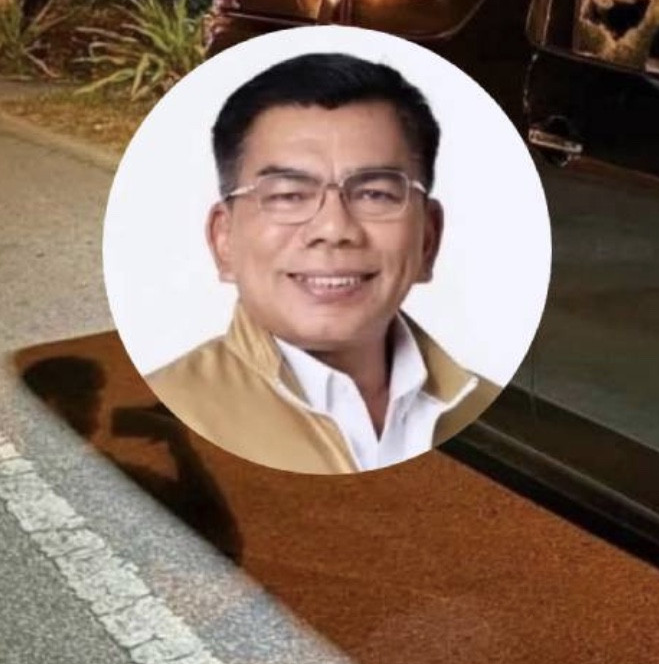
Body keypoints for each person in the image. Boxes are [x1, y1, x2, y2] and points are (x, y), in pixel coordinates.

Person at [146, 52, 497, 474]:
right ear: (224, 241)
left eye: (374, 194)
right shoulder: (163, 419)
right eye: (289, 195)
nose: (333, 228)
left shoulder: (492, 416)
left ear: (428, 240)